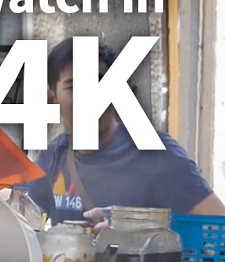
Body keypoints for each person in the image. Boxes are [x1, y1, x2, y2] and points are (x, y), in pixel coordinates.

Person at [24, 38, 225, 225]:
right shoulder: (53, 158)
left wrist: (136, 231)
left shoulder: (157, 154)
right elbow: (18, 219)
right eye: (75, 87)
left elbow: (218, 232)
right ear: (52, 100)